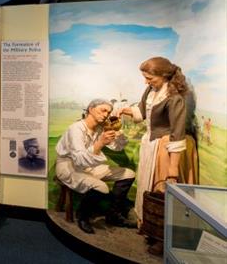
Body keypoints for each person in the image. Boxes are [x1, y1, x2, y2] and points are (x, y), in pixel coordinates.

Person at [119, 57, 198, 253]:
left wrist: (172, 171)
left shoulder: (174, 97)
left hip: (167, 148)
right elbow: (143, 112)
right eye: (145, 78)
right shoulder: (152, 89)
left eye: (149, 78)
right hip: (152, 145)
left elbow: (178, 134)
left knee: (163, 191)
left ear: (164, 76)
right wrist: (126, 111)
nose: (146, 82)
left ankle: (165, 237)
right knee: (149, 187)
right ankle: (150, 227)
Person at [55, 99, 136, 234]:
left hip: (89, 165)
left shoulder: (100, 128)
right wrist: (100, 143)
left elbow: (117, 147)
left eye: (108, 112)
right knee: (101, 187)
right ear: (91, 109)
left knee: (128, 173)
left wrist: (117, 134)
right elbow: (80, 159)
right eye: (103, 110)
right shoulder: (76, 129)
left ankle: (113, 214)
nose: (106, 115)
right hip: (68, 166)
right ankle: (82, 216)